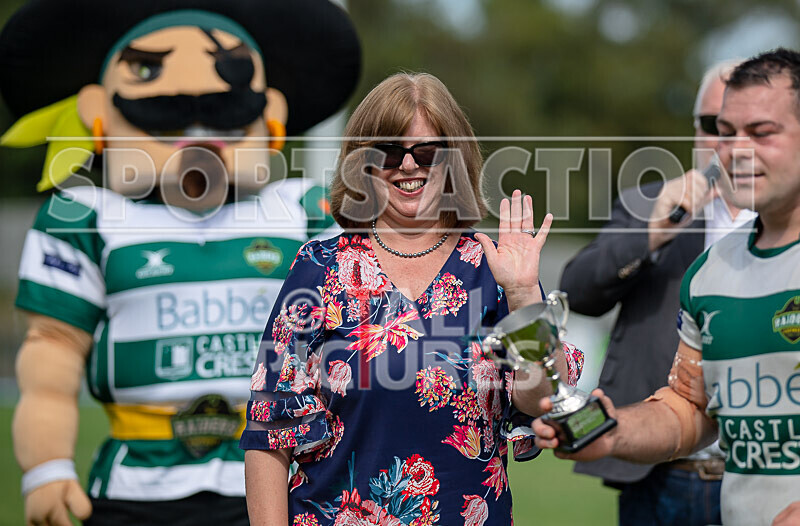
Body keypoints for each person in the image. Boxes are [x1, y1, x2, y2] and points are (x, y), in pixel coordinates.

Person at [0, 1, 360, 524]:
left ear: (271, 114)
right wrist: (46, 467)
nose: (196, 113)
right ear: (96, 110)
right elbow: (51, 357)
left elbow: (359, 337)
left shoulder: (304, 213)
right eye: (149, 73)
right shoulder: (84, 219)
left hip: (276, 481)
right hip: (135, 488)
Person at [240, 72, 584, 525]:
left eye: (426, 152)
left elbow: (542, 398)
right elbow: (269, 432)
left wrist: (522, 295)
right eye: (388, 151)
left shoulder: (494, 269)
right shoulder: (318, 268)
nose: (408, 166)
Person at [534, 48, 800, 526]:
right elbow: (690, 407)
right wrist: (613, 432)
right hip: (667, 485)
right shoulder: (710, 269)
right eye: (723, 131)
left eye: (761, 133)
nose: (736, 150)